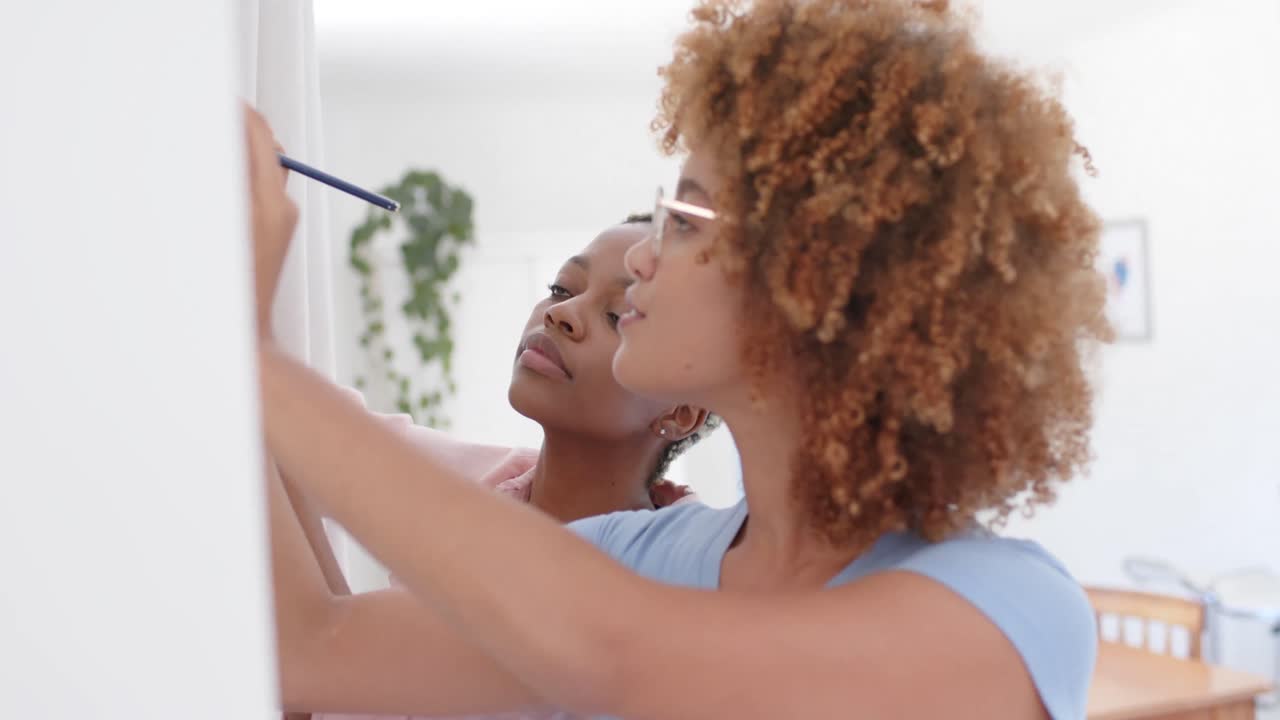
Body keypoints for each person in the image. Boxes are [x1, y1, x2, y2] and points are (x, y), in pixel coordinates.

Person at [253, 1, 1111, 717]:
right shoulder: (638, 554)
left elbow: (616, 655)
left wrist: (260, 361)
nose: (639, 259)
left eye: (686, 222)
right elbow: (310, 647)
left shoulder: (1006, 616)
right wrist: (233, 339)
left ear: (815, 280)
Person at [289, 215, 717, 720]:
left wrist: (324, 656)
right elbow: (304, 431)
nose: (562, 315)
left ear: (682, 411)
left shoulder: (685, 588)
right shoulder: (473, 483)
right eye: (561, 289)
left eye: (617, 316)